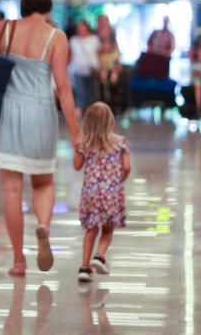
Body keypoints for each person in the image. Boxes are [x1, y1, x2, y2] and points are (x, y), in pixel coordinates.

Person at [0, 0, 79, 277]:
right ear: (47, 4)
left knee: (11, 188)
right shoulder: (56, 37)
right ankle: (43, 226)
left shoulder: (4, 29)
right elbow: (62, 86)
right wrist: (75, 130)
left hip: (6, 112)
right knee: (43, 183)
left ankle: (18, 260)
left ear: (24, 2)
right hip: (40, 113)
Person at [73, 102, 130, 283]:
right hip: (111, 192)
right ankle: (99, 256)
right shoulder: (120, 143)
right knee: (107, 229)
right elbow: (127, 167)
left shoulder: (86, 144)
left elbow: (76, 166)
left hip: (90, 193)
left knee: (91, 230)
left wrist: (77, 149)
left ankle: (84, 267)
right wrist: (120, 179)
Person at [69, 20, 99, 118]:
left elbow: (98, 53)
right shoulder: (73, 40)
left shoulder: (94, 39)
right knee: (79, 91)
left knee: (90, 92)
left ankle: (90, 112)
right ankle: (79, 111)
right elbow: (71, 55)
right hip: (77, 69)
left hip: (91, 69)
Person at [96, 34, 122, 102]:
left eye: (108, 44)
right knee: (103, 72)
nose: (106, 46)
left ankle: (112, 84)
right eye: (104, 44)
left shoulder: (114, 54)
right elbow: (99, 65)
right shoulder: (100, 55)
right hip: (104, 69)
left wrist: (116, 68)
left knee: (114, 73)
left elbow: (118, 64)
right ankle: (104, 82)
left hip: (113, 69)